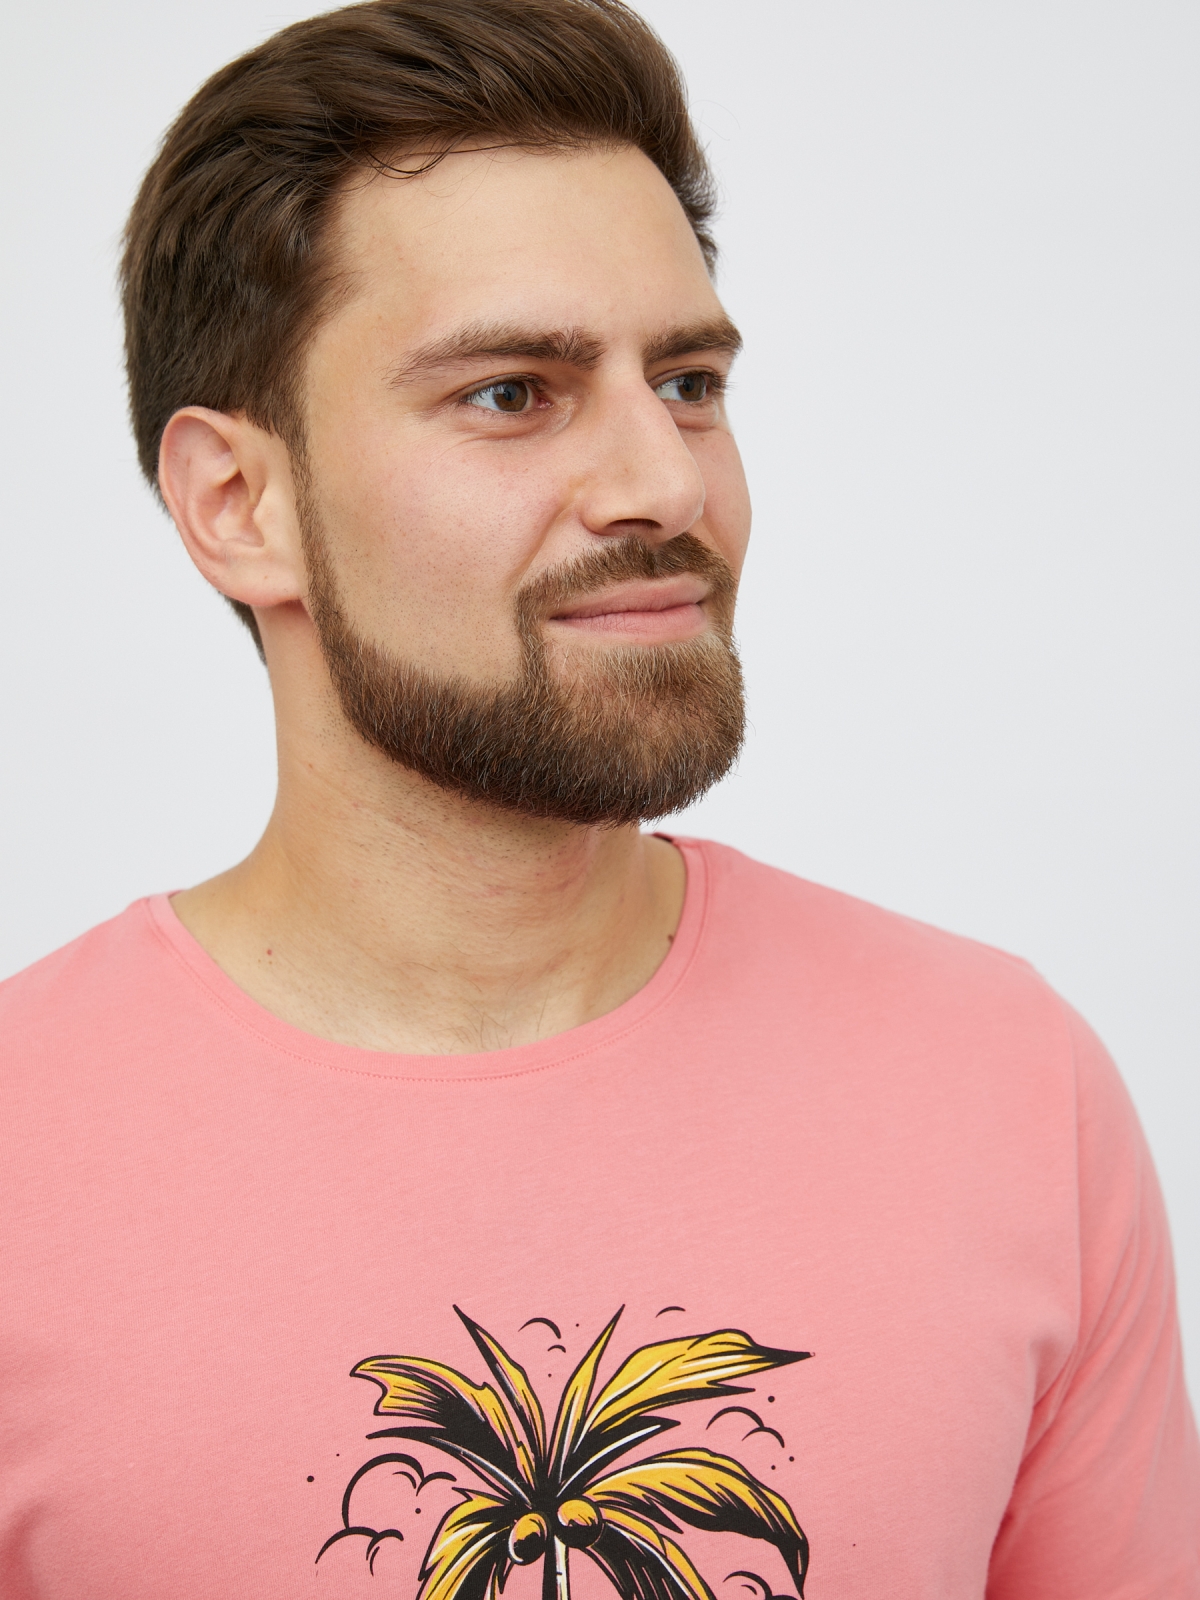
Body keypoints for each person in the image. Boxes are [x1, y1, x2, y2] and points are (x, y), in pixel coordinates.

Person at [0, 0, 1196, 1594]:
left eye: (687, 381)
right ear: (239, 504)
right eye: (513, 392)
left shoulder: (1012, 1090)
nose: (666, 484)